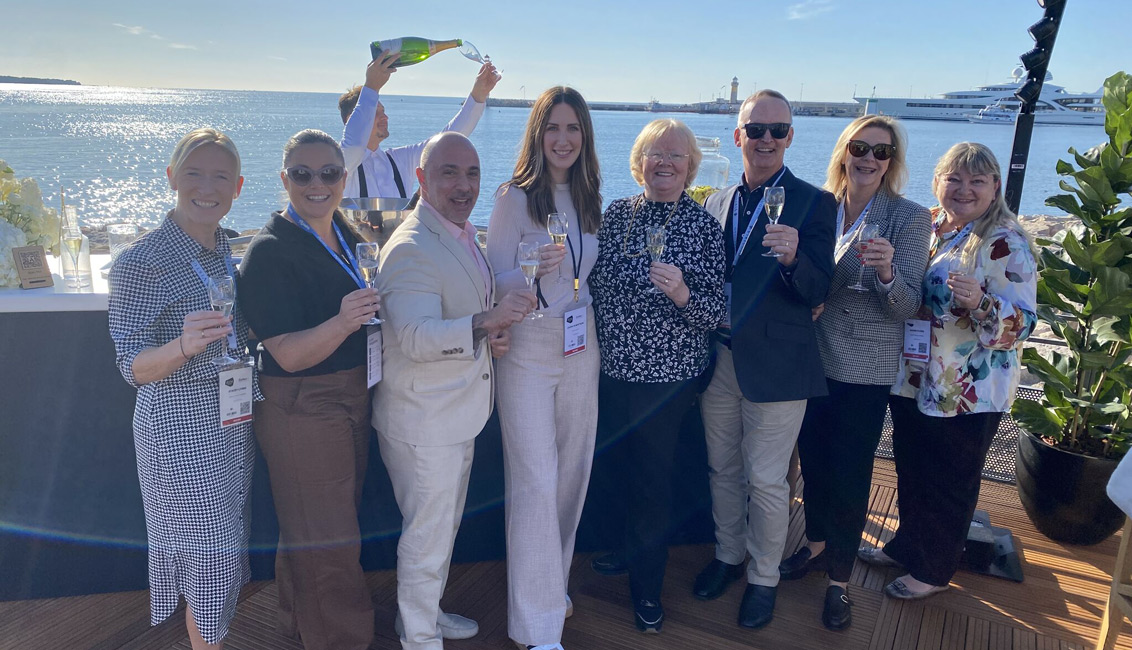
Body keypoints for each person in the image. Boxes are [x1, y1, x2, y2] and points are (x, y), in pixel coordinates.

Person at [374, 131, 535, 650]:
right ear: (422, 178)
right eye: (449, 173)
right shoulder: (411, 247)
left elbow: (462, 311)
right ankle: (419, 638)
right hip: (424, 423)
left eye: (472, 173)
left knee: (440, 531)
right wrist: (487, 321)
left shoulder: (458, 233)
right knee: (427, 536)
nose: (464, 185)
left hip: (453, 414)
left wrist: (490, 333)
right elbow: (415, 336)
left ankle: (421, 616)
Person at [858, 142, 1037, 600]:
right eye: (953, 178)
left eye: (976, 181)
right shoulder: (933, 225)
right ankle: (907, 545)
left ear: (995, 186)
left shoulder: (1005, 241)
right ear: (937, 181)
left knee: (950, 481)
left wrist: (982, 303)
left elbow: (1023, 325)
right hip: (916, 377)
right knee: (913, 469)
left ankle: (934, 570)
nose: (964, 189)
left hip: (967, 389)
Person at [776, 115, 931, 630]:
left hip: (864, 367)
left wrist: (886, 272)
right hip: (811, 355)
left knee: (850, 473)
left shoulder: (909, 218)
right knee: (815, 463)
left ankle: (839, 581)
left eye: (880, 152)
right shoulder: (820, 205)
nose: (868, 159)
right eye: (860, 147)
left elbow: (907, 305)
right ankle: (818, 545)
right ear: (844, 151)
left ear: (891, 162)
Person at [108, 127, 255, 650]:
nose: (206, 187)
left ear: (238, 187)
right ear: (172, 177)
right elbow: (131, 366)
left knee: (224, 550)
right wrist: (183, 346)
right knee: (209, 561)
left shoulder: (223, 248)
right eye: (194, 173)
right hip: (179, 435)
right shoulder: (140, 262)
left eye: (220, 176)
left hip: (230, 427)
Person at [696, 90, 837, 629]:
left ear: (790, 137)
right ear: (739, 136)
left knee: (768, 480)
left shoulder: (815, 203)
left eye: (778, 130)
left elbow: (819, 289)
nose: (766, 139)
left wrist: (795, 258)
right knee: (723, 469)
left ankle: (763, 578)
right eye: (756, 129)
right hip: (721, 358)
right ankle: (728, 555)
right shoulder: (717, 202)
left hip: (778, 367)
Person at [238, 129, 381, 650]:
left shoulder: (345, 233)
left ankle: (299, 623)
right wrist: (343, 322)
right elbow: (288, 354)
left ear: (344, 178)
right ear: (284, 179)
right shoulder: (269, 251)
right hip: (303, 405)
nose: (316, 183)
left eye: (329, 173)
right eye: (302, 174)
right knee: (329, 542)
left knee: (312, 527)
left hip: (350, 394)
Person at [589, 118, 726, 634]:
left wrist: (682, 294)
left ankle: (647, 588)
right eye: (655, 154)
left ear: (690, 166)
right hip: (611, 371)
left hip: (665, 380)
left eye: (675, 155)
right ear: (639, 162)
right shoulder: (617, 215)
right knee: (618, 469)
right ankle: (627, 551)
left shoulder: (703, 228)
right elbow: (592, 283)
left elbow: (714, 313)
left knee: (651, 482)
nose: (664, 163)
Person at [485, 86, 602, 650]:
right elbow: (492, 278)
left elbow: (588, 274)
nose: (563, 138)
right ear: (538, 134)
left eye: (573, 128)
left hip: (581, 344)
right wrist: (529, 267)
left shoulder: (589, 196)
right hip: (529, 346)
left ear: (585, 136)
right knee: (534, 479)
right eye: (553, 127)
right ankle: (538, 629)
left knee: (572, 474)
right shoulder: (513, 198)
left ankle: (550, 586)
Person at [339, 52, 500, 200]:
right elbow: (355, 145)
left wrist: (478, 95)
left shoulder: (399, 160)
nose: (385, 117)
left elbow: (446, 140)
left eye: (384, 111)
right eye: (375, 112)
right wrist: (371, 87)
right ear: (351, 120)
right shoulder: (343, 165)